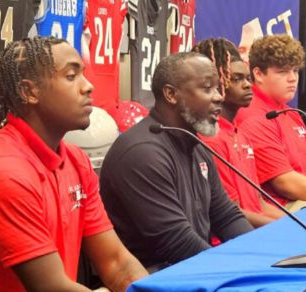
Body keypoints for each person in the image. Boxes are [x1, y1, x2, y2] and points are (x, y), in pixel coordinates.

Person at [0, 36, 148, 292]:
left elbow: (117, 263)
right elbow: (51, 291)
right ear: (29, 92)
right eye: (71, 76)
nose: (88, 87)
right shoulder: (3, 171)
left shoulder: (76, 160)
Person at [100, 52, 253, 271]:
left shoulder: (195, 145)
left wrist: (261, 258)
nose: (219, 96)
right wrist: (236, 271)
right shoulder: (142, 153)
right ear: (171, 94)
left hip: (193, 269)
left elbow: (226, 216)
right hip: (158, 279)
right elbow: (176, 244)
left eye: (217, 88)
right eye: (207, 88)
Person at [236, 34, 306, 208]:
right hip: (283, 206)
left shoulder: (290, 112)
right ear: (258, 74)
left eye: (295, 70)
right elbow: (285, 183)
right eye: (283, 72)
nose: (293, 78)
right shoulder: (253, 115)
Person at [193, 38, 284, 227]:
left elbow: (259, 203)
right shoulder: (211, 139)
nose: (247, 85)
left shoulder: (241, 135)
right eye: (236, 79)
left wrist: (296, 224)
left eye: (247, 78)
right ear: (214, 83)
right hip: (237, 237)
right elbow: (231, 214)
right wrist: (283, 230)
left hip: (259, 229)